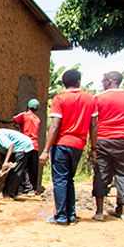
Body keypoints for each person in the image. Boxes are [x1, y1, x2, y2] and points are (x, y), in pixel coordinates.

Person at [40, 69, 96, 225]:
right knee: (69, 179)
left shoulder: (59, 99)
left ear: (63, 83)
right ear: (78, 82)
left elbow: (55, 127)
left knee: (59, 180)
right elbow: (93, 127)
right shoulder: (90, 99)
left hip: (62, 144)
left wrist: (46, 150)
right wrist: (93, 149)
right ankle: (71, 214)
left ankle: (60, 216)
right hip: (79, 145)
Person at [90, 72, 124, 222]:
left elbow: (94, 124)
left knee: (101, 174)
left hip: (103, 140)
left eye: (103, 81)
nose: (103, 83)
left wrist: (94, 147)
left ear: (109, 81)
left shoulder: (99, 98)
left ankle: (99, 212)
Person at [0, 99, 41, 194]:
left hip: (24, 146)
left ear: (28, 106)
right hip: (35, 145)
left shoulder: (24, 115)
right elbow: (29, 128)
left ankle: (27, 188)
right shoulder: (37, 119)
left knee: (22, 167)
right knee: (33, 169)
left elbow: (10, 121)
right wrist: (18, 127)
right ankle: (33, 188)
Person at [0, 128, 35, 199]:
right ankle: (13, 193)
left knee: (15, 170)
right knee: (15, 170)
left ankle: (7, 193)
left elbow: (11, 145)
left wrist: (6, 162)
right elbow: (4, 156)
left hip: (22, 145)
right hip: (18, 148)